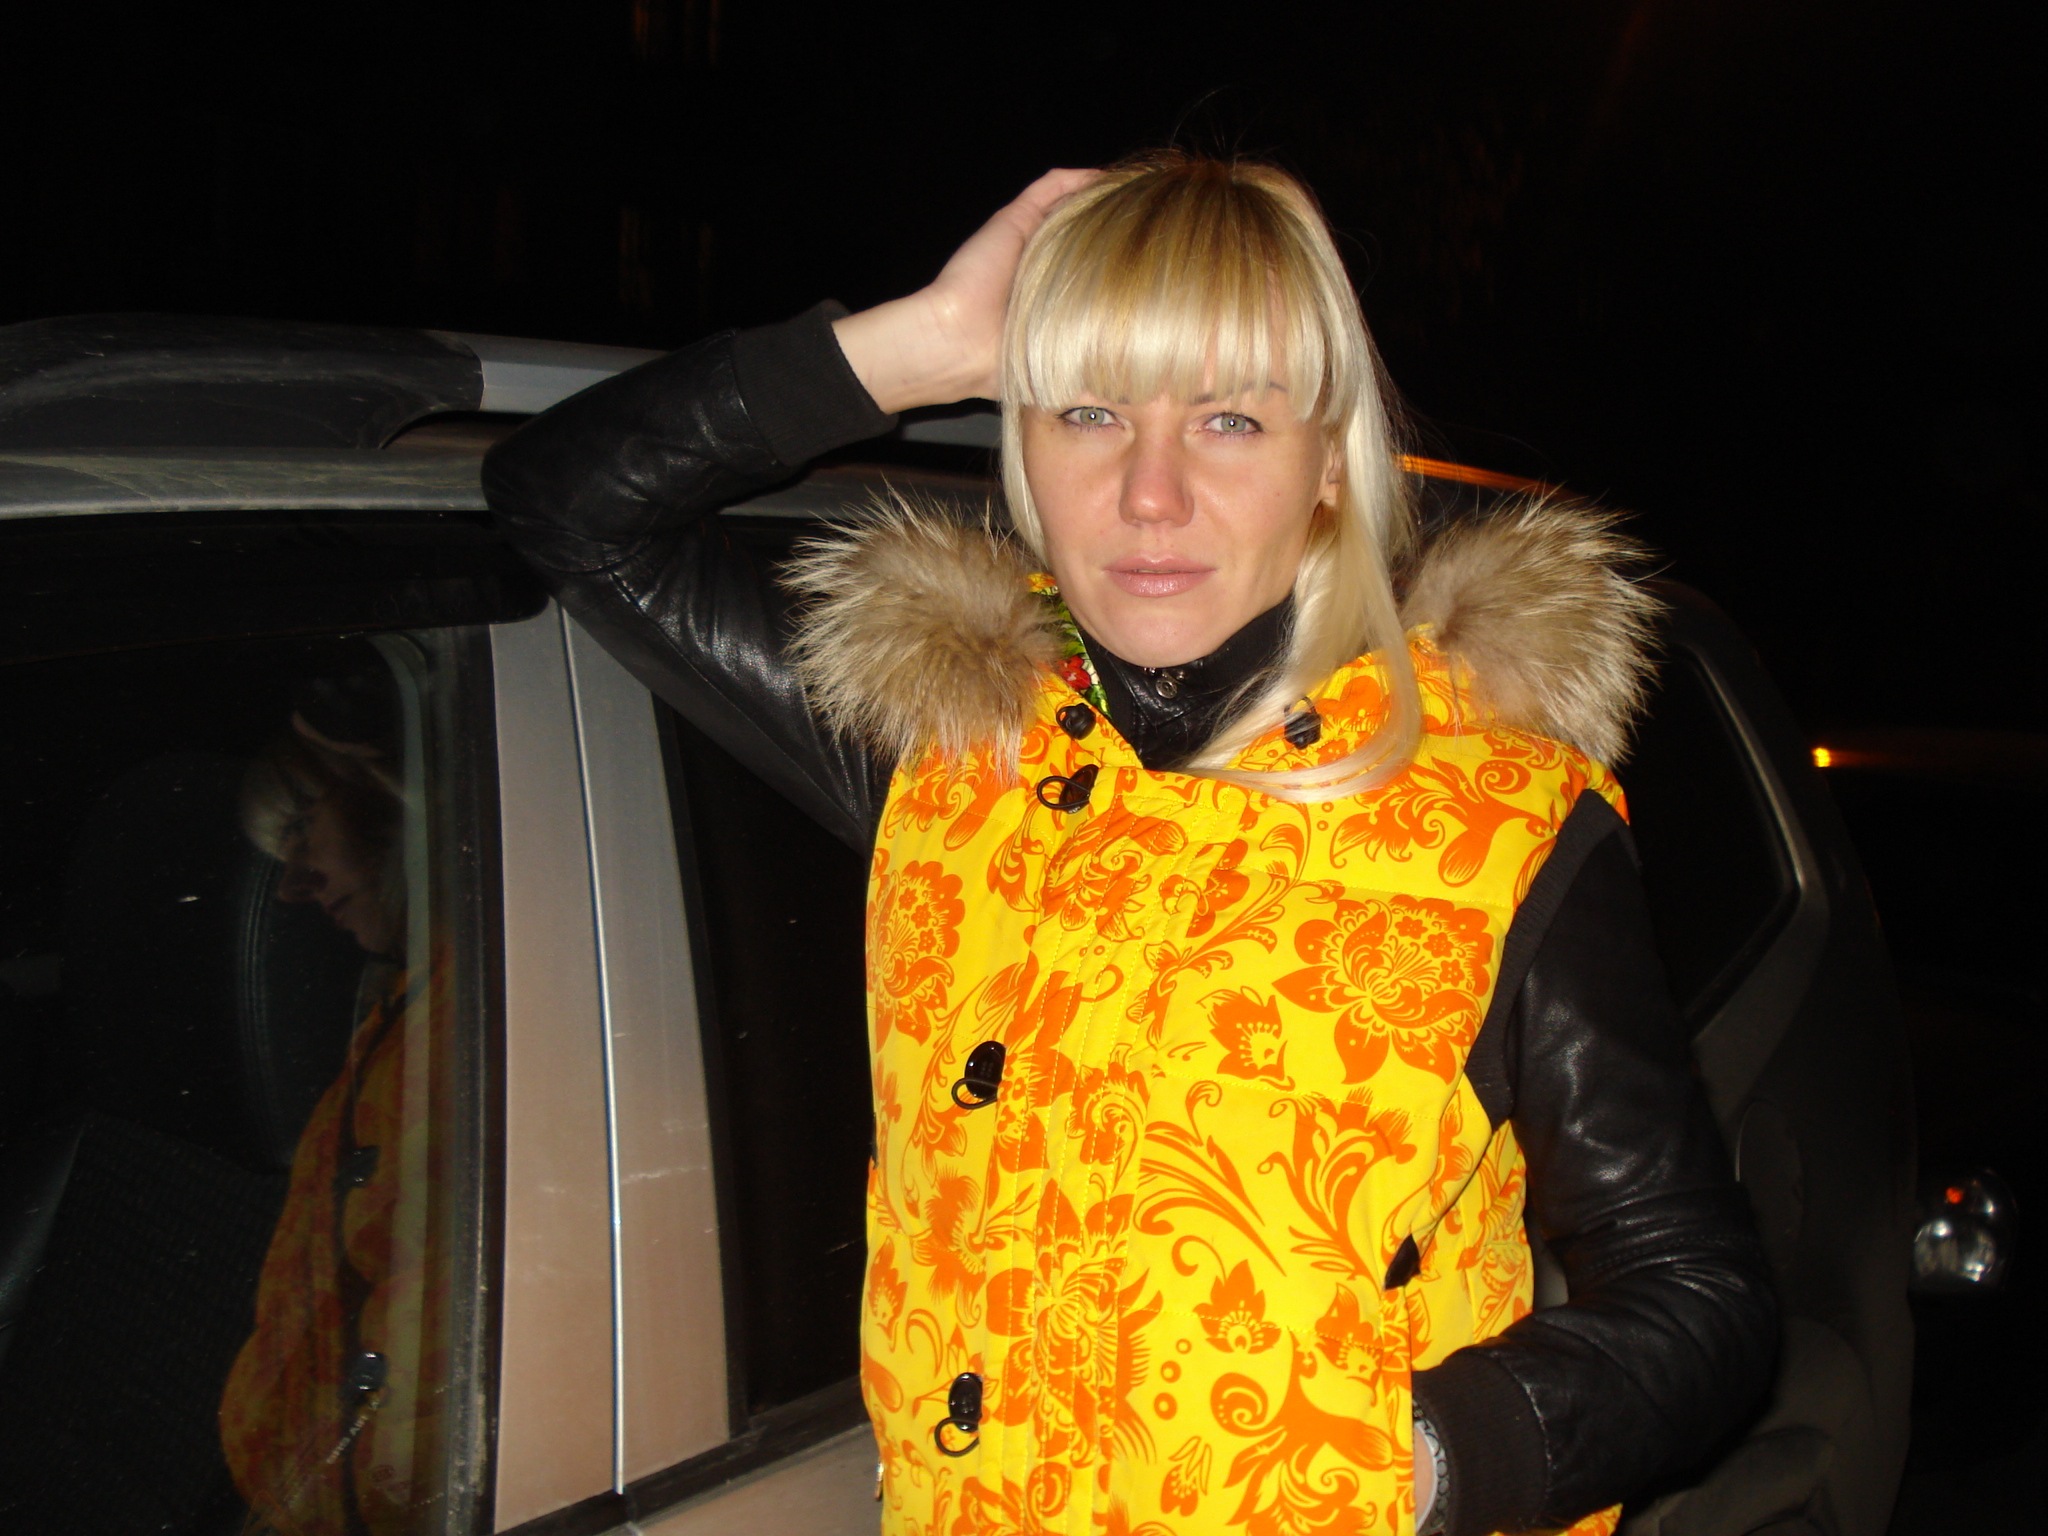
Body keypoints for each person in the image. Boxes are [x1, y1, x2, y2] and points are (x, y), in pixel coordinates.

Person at [483, 154, 1777, 1536]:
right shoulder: (950, 750)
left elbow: (1697, 1299)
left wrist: (1415, 1466)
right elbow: (564, 501)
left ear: (1325, 464)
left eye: (1228, 420)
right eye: (1088, 412)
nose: (1148, 493)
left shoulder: (1492, 822)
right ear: (1020, 442)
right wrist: (926, 341)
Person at [220, 671, 452, 1536]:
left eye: (299, 832)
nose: (291, 888)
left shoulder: (494, 1000)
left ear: (386, 790)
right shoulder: (398, 1020)